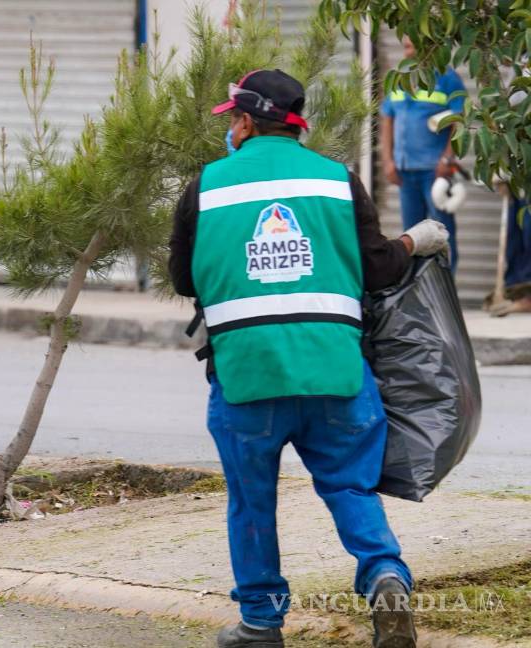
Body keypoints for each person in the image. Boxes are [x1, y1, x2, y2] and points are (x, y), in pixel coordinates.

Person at [168, 69, 449, 648]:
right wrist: (413, 242)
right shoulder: (339, 180)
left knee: (252, 501)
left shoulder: (205, 187)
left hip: (246, 377)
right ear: (298, 126)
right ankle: (385, 575)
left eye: (233, 120)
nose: (232, 130)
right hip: (336, 373)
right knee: (350, 488)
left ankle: (261, 622)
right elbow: (378, 269)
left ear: (245, 123)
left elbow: (182, 278)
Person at [381, 36, 466, 271]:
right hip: (405, 172)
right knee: (413, 236)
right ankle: (419, 286)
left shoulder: (447, 78)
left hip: (434, 172)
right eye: (405, 47)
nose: (407, 53)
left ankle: (447, 284)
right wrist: (388, 161)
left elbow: (460, 121)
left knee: (442, 232)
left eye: (412, 47)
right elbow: (388, 119)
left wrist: (447, 158)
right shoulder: (399, 78)